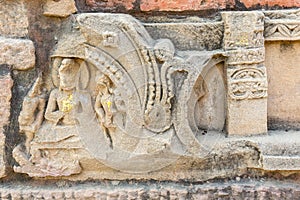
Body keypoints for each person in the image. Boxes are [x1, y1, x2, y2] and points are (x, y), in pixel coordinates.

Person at [18, 76, 46, 155]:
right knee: (29, 138)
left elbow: (41, 109)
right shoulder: (28, 100)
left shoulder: (38, 99)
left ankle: (30, 152)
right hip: (27, 119)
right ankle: (28, 152)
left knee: (31, 138)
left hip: (32, 119)